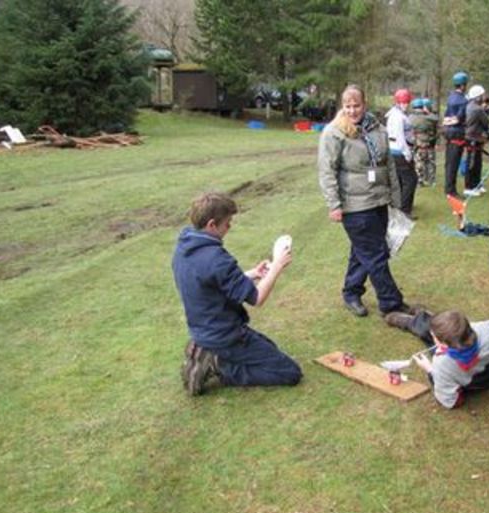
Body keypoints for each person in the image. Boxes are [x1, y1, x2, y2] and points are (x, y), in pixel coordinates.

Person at [172, 192, 302, 395]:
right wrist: (277, 266)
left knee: (270, 348)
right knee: (289, 372)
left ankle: (206, 351)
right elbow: (256, 298)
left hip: (203, 328)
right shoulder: (216, 258)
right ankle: (220, 366)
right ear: (212, 225)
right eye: (227, 223)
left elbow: (210, 282)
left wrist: (252, 274)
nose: (230, 227)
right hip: (226, 335)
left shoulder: (184, 247)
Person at [318, 84, 412, 318]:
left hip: (379, 201)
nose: (352, 110)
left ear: (364, 104)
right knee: (376, 255)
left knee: (362, 252)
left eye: (356, 105)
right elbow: (327, 171)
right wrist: (334, 205)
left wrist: (396, 199)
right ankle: (391, 303)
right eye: (347, 106)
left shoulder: (377, 129)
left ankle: (351, 292)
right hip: (355, 205)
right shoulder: (334, 133)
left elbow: (389, 166)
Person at [383, 309, 489, 409]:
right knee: (439, 328)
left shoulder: (442, 364)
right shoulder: (483, 329)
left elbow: (450, 401)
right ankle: (422, 316)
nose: (433, 338)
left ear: (444, 344)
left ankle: (417, 319)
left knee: (426, 332)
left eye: (434, 337)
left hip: (476, 383)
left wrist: (430, 370)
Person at [386, 88, 418, 217]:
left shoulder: (395, 114)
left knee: (400, 180)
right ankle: (404, 210)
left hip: (395, 151)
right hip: (400, 152)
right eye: (404, 102)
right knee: (410, 181)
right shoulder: (398, 117)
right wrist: (407, 153)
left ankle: (399, 206)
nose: (406, 105)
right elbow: (399, 137)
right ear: (398, 102)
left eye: (407, 102)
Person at [443, 71, 469, 202]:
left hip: (448, 133)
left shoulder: (450, 98)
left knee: (449, 162)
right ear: (463, 85)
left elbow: (446, 117)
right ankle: (450, 190)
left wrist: (447, 124)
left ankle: (448, 187)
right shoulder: (463, 101)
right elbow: (459, 118)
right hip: (457, 134)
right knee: (454, 163)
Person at [464, 84, 489, 196]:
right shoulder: (478, 109)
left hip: (472, 138)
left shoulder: (469, 106)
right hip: (473, 138)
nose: (484, 98)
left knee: (476, 163)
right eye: (482, 95)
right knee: (473, 164)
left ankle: (476, 184)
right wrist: (486, 111)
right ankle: (469, 187)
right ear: (478, 97)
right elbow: (486, 122)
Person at [410, 97, 439, 187]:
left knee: (419, 162)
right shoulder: (430, 118)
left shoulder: (411, 118)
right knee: (431, 162)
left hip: (418, 143)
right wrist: (427, 112)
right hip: (429, 143)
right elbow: (436, 119)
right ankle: (431, 180)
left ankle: (419, 180)